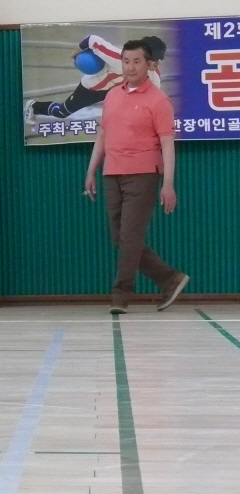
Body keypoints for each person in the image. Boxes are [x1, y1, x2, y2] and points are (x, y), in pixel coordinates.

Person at [83, 39, 188, 314]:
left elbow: (167, 144)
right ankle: (169, 278)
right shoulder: (113, 95)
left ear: (149, 64)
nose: (130, 67)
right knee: (120, 238)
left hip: (142, 174)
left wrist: (168, 184)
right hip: (111, 173)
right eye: (126, 61)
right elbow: (103, 135)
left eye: (136, 61)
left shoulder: (158, 100)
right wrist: (91, 169)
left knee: (130, 236)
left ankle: (120, 294)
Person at [25, 34, 166, 123]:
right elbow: (93, 40)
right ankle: (33, 106)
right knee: (62, 112)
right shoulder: (119, 58)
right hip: (93, 87)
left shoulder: (154, 76)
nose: (156, 65)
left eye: (158, 62)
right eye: (154, 61)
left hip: (117, 92)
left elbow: (153, 99)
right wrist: (76, 53)